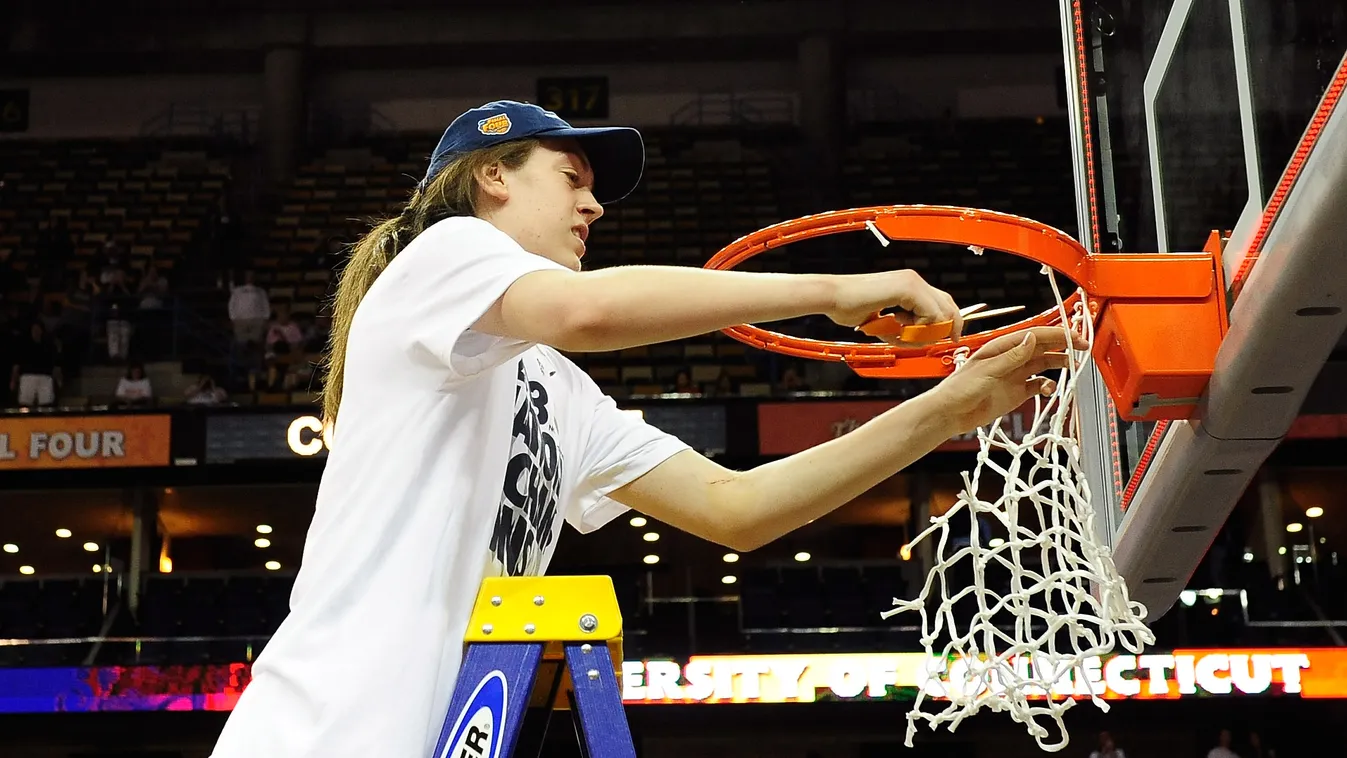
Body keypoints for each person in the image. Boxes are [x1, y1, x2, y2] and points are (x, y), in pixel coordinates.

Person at [209, 100, 1078, 758]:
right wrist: (835, 288)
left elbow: (739, 509)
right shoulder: (442, 253)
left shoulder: (556, 388)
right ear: (493, 177)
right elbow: (588, 311)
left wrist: (956, 406)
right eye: (572, 179)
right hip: (323, 727)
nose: (592, 207)